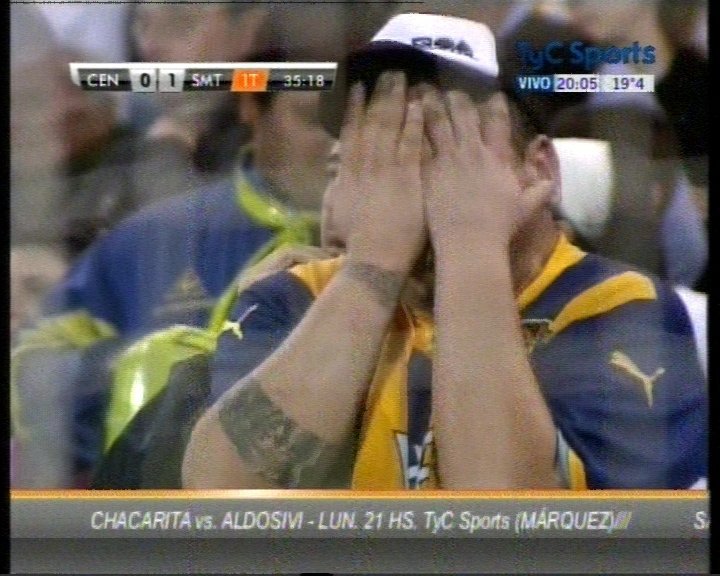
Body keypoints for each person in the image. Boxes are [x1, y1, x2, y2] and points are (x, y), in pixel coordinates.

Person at [183, 13, 707, 490]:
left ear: (538, 169)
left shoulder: (615, 306)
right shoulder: (296, 297)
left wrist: (470, 250)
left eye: (441, 141)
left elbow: (512, 523)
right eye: (375, 151)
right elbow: (218, 500)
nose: (403, 173)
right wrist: (370, 271)